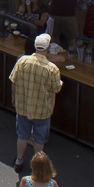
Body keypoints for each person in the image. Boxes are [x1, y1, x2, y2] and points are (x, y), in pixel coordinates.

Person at [9, 34, 62, 173]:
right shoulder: (52, 68)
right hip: (42, 111)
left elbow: (13, 81)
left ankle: (19, 160)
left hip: (23, 107)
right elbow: (57, 88)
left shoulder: (22, 61)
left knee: (22, 136)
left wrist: (13, 97)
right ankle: (37, 167)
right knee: (39, 141)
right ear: (48, 48)